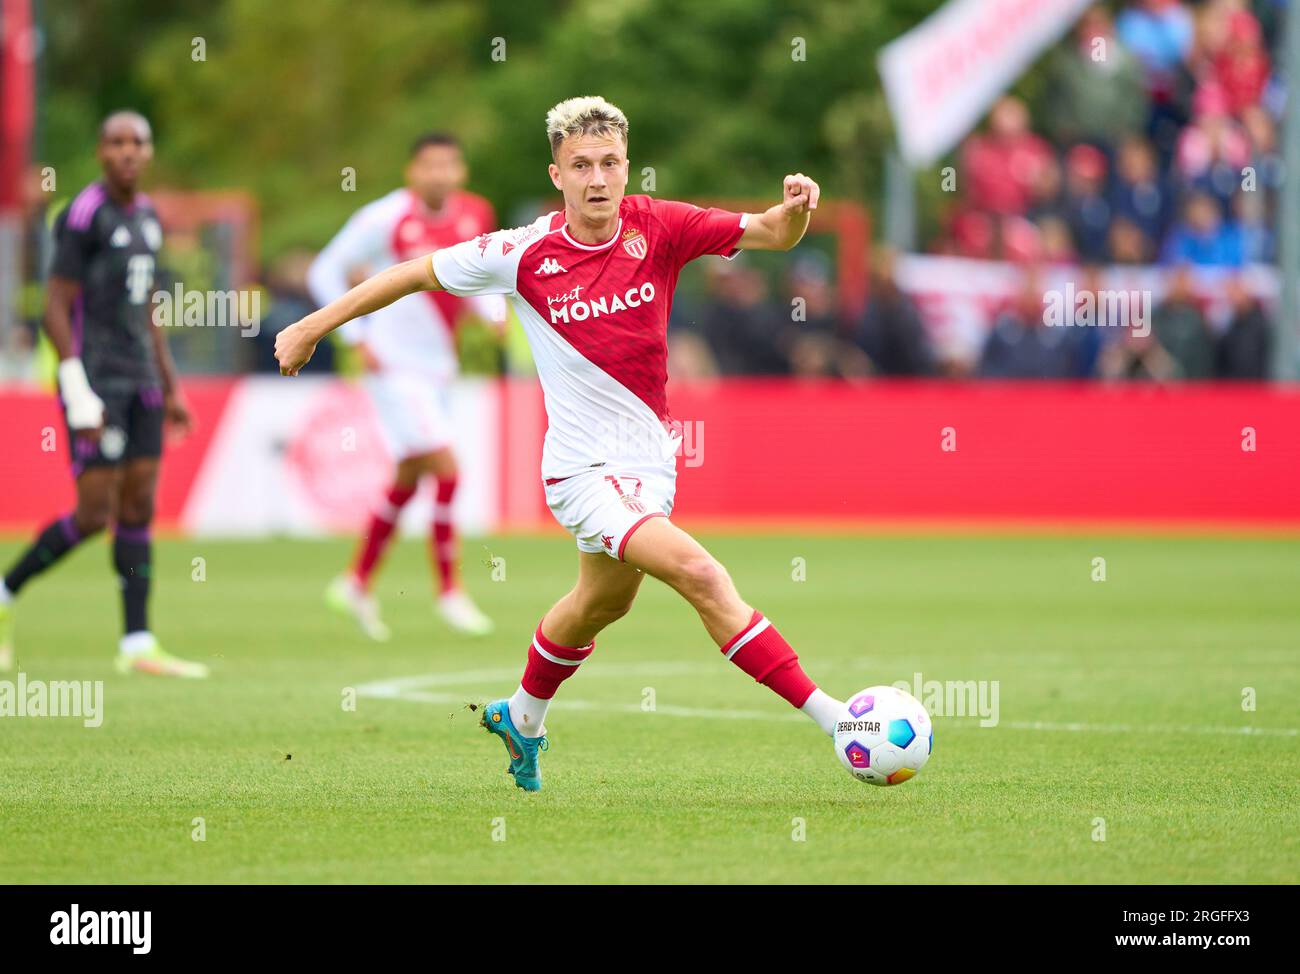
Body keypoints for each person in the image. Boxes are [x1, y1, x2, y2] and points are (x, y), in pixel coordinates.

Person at [275, 96, 845, 791]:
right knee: (700, 577)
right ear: (558, 174)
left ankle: (521, 716)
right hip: (583, 473)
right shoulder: (521, 253)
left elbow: (772, 234)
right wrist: (313, 326)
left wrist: (798, 208)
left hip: (648, 465)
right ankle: (837, 721)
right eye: (582, 165)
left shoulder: (661, 227)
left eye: (609, 163)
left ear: (628, 167)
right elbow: (412, 273)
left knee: (600, 605)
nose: (598, 178)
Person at [0, 112, 206, 677]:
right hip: (96, 381)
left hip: (140, 380)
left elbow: (148, 310)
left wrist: (170, 387)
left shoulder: (147, 217)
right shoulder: (84, 215)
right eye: (116, 142)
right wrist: (76, 388)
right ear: (100, 152)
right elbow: (55, 308)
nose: (128, 151)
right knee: (94, 515)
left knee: (139, 505)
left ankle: (137, 643)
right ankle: (5, 591)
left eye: (138, 141)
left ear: (149, 151)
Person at [307, 133, 502, 639]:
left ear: (461, 172)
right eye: (429, 165)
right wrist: (355, 335)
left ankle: (354, 583)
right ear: (411, 171)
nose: (440, 174)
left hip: (440, 367)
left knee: (409, 476)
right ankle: (450, 592)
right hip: (393, 367)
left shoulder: (474, 214)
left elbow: (481, 274)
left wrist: (493, 312)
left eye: (450, 165)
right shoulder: (384, 218)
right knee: (447, 468)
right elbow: (324, 270)